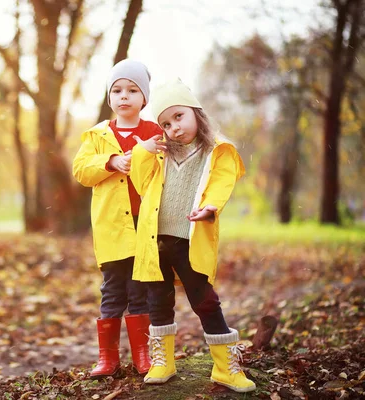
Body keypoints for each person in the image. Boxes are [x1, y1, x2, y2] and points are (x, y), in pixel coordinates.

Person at [129, 78, 256, 392]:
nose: (173, 127)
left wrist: (210, 207)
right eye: (166, 123)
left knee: (205, 300)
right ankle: (163, 362)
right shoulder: (160, 153)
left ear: (196, 112)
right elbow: (140, 182)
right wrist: (142, 150)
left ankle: (225, 366)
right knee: (158, 300)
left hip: (189, 238)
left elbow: (222, 183)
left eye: (179, 116)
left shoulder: (214, 151)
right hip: (155, 240)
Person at [72, 59, 163, 378]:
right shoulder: (96, 135)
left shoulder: (154, 132)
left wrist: (147, 152)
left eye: (132, 90)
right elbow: (81, 170)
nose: (124, 96)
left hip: (144, 224)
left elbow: (165, 167)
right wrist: (111, 161)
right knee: (112, 290)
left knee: (140, 289)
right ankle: (107, 358)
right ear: (110, 98)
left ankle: (143, 355)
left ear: (144, 99)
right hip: (111, 226)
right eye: (117, 90)